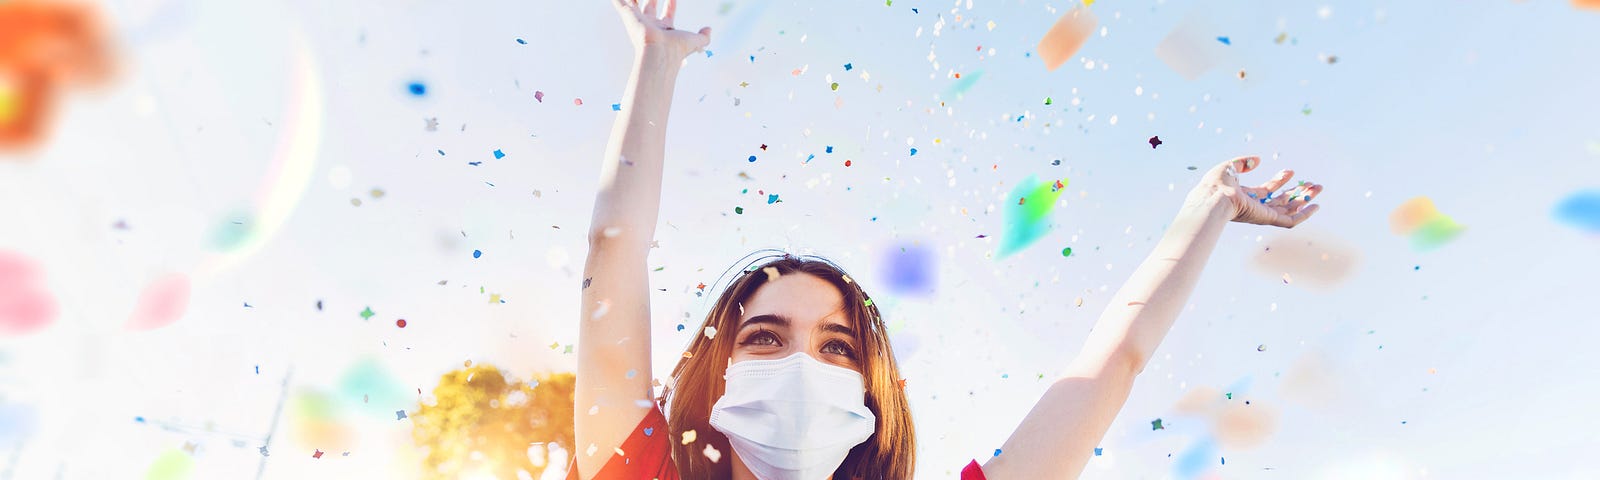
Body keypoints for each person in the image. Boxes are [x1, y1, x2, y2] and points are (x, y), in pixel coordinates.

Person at [571, 1, 1325, 478]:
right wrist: (658, 62)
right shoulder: (637, 470)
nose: (805, 362)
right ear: (717, 367)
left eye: (837, 346)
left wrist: (1210, 211)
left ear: (871, 389)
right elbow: (613, 243)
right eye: (766, 338)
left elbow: (1113, 364)